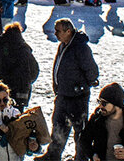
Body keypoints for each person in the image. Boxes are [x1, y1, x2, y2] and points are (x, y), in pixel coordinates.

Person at [35, 19, 99, 161]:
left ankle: (81, 158)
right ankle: (53, 156)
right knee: (58, 127)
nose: (55, 33)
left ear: (68, 31)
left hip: (77, 97)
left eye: (58, 31)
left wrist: (82, 86)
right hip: (63, 95)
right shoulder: (63, 45)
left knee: (80, 131)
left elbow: (92, 71)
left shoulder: (81, 48)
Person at [0, 23, 39, 108]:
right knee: (16, 112)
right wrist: (27, 82)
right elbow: (34, 70)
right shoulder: (24, 49)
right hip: (20, 88)